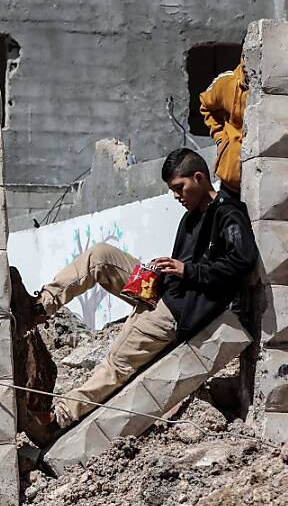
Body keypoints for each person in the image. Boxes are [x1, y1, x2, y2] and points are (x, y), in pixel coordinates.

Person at [34, 148, 258, 429]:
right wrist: (163, 270)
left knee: (118, 361)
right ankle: (40, 307)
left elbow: (243, 260)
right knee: (100, 256)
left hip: (177, 310)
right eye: (172, 190)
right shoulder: (190, 218)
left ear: (199, 178)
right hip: (163, 290)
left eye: (180, 188)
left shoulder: (226, 213)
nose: (177, 196)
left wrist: (187, 271)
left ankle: (59, 417)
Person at [199, 59, 248, 197]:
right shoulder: (227, 83)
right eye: (244, 56)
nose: (246, 63)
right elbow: (205, 104)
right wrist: (221, 139)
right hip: (231, 183)